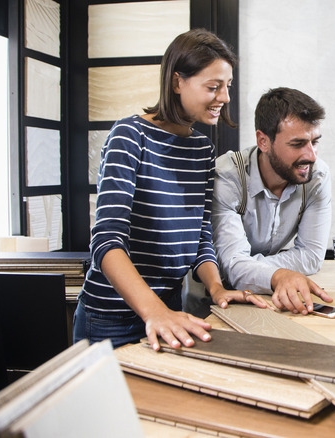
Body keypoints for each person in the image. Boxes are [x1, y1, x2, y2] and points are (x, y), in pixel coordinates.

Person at [74, 28, 259, 351]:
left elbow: (199, 234)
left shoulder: (201, 148)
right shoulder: (130, 136)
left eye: (227, 86)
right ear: (177, 83)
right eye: (213, 87)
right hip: (112, 318)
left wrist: (216, 288)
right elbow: (106, 241)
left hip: (169, 313)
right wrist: (154, 312)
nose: (225, 98)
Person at [204, 87, 333, 315]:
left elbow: (312, 257)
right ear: (263, 141)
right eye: (298, 144)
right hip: (217, 301)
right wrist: (277, 275)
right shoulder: (228, 177)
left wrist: (255, 270)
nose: (311, 155)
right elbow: (232, 267)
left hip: (269, 300)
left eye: (315, 142)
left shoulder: (317, 176)